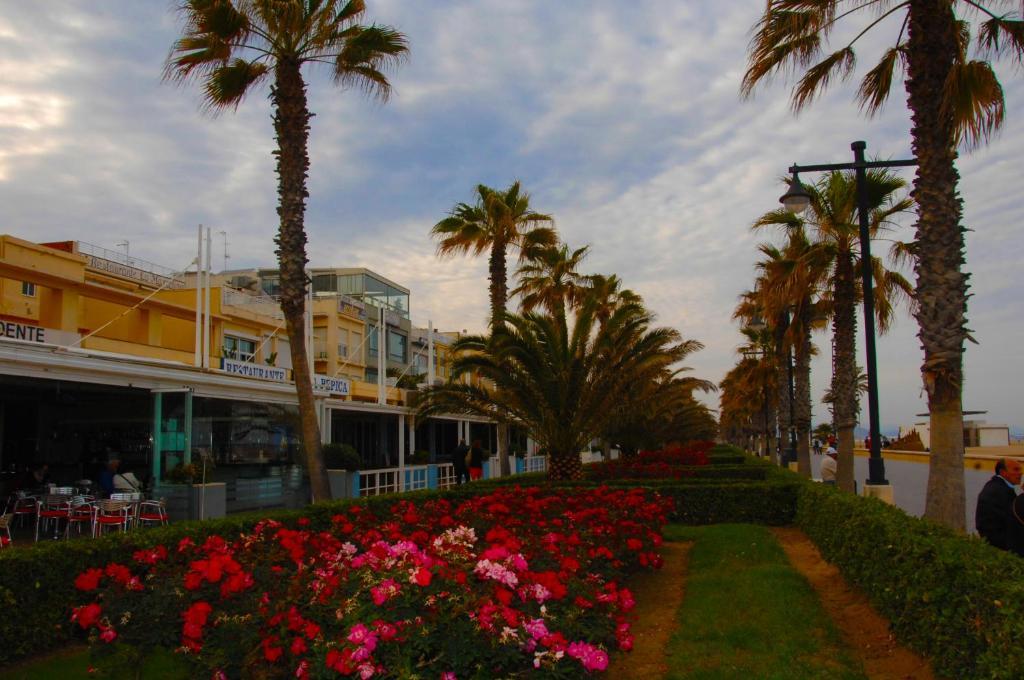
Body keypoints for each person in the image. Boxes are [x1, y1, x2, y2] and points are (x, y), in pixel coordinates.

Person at [975, 457, 1022, 551]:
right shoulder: (1001, 491)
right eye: (1016, 469)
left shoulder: (995, 486)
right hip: (1001, 545)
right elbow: (1015, 519)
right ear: (1003, 472)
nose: (1020, 473)